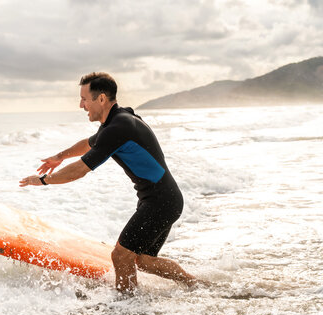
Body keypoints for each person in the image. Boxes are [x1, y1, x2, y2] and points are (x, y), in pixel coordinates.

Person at [20, 72, 201, 293]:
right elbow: (88, 144)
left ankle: (127, 307)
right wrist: (60, 156)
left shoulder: (119, 128)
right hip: (162, 199)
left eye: (84, 99)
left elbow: (80, 169)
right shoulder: (116, 122)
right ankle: (195, 284)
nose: (81, 105)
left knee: (121, 255)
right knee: (142, 260)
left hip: (161, 201)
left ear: (102, 99)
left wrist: (43, 181)